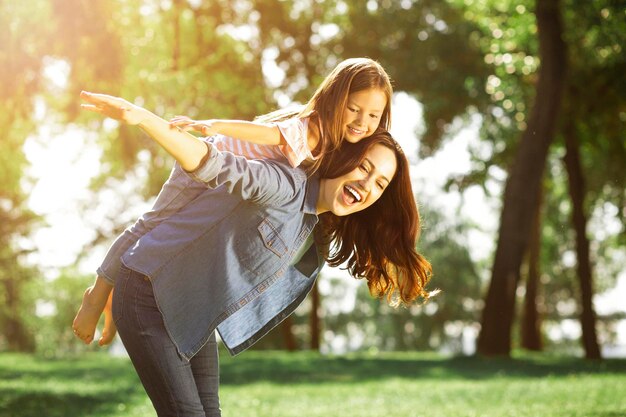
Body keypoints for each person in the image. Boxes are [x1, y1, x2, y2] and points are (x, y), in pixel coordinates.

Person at [75, 91, 433, 417]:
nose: (366, 185)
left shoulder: (317, 228)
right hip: (148, 294)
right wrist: (146, 119)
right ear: (344, 157)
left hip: (191, 311)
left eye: (380, 184)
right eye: (364, 168)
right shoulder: (286, 185)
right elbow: (210, 161)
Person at [72, 57, 393, 345]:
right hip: (207, 166)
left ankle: (114, 295)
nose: (362, 122)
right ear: (338, 100)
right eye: (355, 108)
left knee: (159, 231)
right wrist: (214, 125)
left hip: (224, 180)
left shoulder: (339, 144)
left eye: (374, 115)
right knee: (153, 224)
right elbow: (264, 134)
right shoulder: (313, 131)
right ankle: (98, 293)